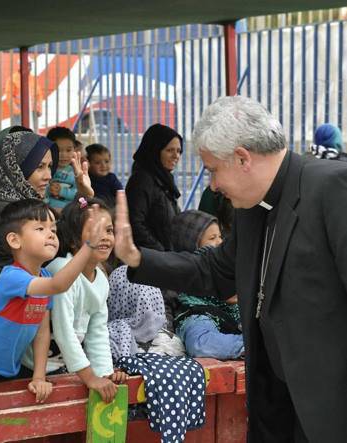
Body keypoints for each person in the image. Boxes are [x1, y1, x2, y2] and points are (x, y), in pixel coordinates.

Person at [113, 96, 347, 442]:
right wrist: (138, 259)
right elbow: (216, 271)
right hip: (277, 407)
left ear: (242, 158)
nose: (212, 186)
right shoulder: (254, 206)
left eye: (212, 170)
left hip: (330, 411)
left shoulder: (332, 187)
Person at [0, 199, 109, 403]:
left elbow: (41, 333)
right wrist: (88, 246)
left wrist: (39, 377)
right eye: (40, 228)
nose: (51, 234)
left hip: (8, 372)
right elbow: (58, 285)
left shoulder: (44, 276)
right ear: (15, 241)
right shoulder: (12, 276)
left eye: (53, 228)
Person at [0, 127, 92, 315]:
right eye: (39, 167)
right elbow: (67, 236)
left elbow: (68, 226)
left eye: (49, 166)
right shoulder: (12, 210)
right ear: (16, 168)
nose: (49, 176)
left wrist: (84, 196)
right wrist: (84, 198)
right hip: (7, 319)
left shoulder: (17, 201)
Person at [22, 198, 127, 403]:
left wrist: (104, 373)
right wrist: (90, 378)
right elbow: (64, 331)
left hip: (67, 367)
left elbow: (98, 331)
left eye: (109, 230)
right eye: (95, 231)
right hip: (35, 371)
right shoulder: (62, 270)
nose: (105, 237)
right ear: (73, 240)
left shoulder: (101, 280)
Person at [170, 210, 243, 360]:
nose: (220, 242)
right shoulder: (195, 315)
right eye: (212, 238)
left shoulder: (235, 310)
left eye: (220, 236)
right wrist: (260, 345)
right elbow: (201, 345)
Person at [125, 123, 182, 251]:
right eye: (169, 150)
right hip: (150, 261)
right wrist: (160, 253)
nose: (176, 156)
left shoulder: (165, 180)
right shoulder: (142, 181)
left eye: (178, 151)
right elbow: (135, 224)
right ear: (155, 151)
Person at [46, 127, 79, 211]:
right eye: (58, 150)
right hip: (48, 213)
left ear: (74, 149)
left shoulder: (77, 172)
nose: (64, 155)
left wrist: (62, 191)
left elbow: (80, 195)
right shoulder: (45, 170)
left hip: (70, 214)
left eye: (68, 150)